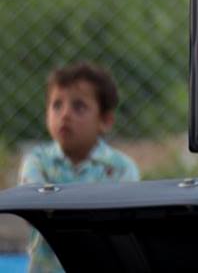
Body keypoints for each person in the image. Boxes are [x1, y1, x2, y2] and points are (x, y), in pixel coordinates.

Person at [17, 61, 142, 273]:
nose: (65, 114)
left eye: (79, 106)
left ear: (105, 120)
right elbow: (33, 213)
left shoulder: (122, 168)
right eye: (57, 105)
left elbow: (124, 224)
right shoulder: (36, 162)